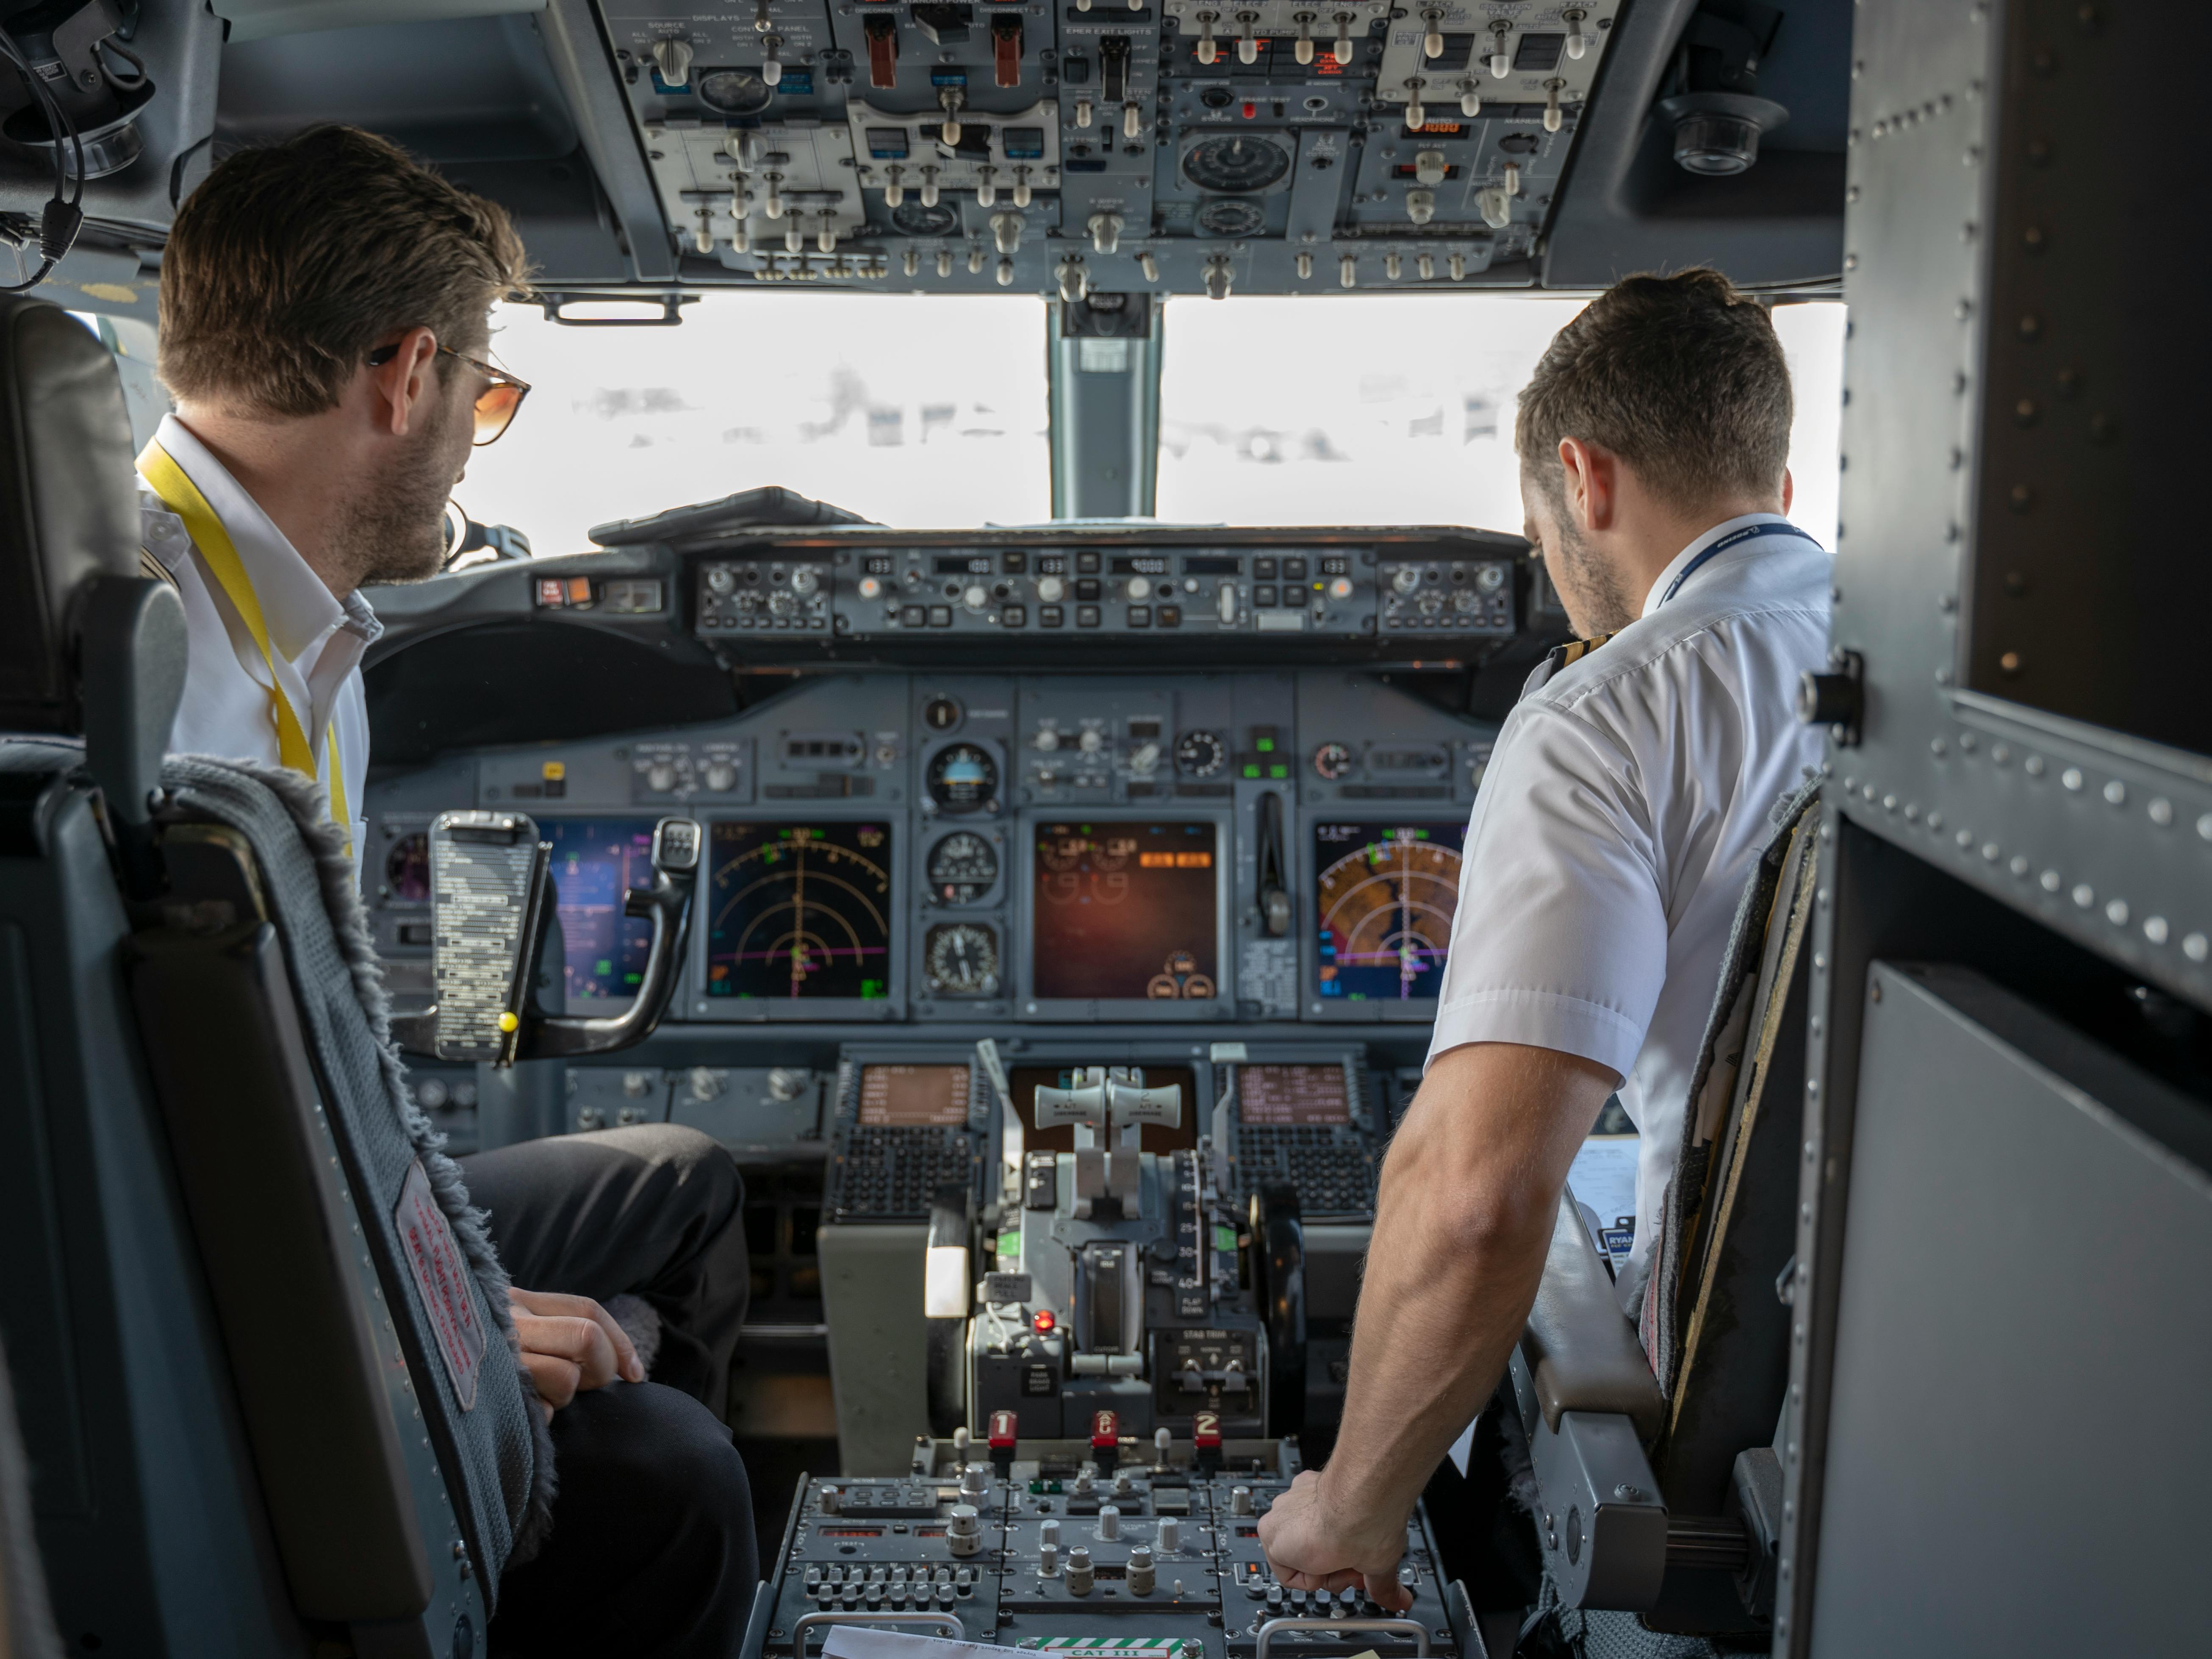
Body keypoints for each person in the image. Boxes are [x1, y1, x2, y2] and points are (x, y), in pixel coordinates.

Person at [139, 125, 757, 1654]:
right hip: (207, 1275)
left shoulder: (291, 633)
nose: (482, 437)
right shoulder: (146, 669)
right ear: (405, 376)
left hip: (299, 1188)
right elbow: (150, 1160)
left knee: (680, 1184)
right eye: (487, 392)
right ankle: (533, 1538)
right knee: (679, 1477)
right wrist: (437, 1331)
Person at [1258, 270, 1829, 1607]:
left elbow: (1479, 1198)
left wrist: (1347, 1509)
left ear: (1583, 480)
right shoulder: (1948, 669)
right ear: (1779, 490)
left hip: (1727, 1438)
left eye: (1537, 535)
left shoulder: (1609, 712)